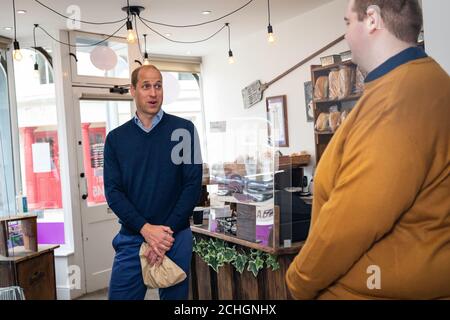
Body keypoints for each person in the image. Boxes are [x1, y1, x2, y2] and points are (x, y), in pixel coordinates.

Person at [286, 0, 450, 300]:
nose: (346, 34)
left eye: (348, 22)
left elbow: (350, 225)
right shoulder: (416, 82)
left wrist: (298, 281)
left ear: (372, 19)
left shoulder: (400, 98)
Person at [104, 65, 203, 300]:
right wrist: (147, 231)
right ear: (133, 90)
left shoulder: (185, 130)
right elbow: (113, 192)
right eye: (146, 86)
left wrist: (164, 235)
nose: (153, 93)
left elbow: (192, 185)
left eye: (158, 86)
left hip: (175, 237)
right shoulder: (116, 139)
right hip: (132, 237)